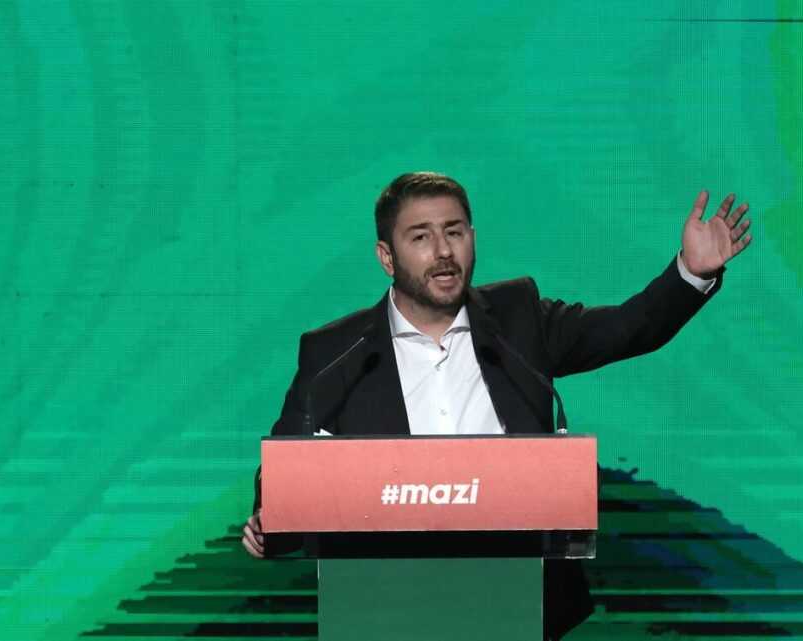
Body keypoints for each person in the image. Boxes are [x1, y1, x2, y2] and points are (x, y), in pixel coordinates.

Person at [242, 171, 752, 639]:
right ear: (386, 257)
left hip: (518, 605)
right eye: (420, 237)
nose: (444, 251)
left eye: (455, 232)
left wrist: (690, 272)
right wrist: (269, 523)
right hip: (389, 611)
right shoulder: (336, 351)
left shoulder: (517, 318)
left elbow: (626, 328)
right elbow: (286, 472)